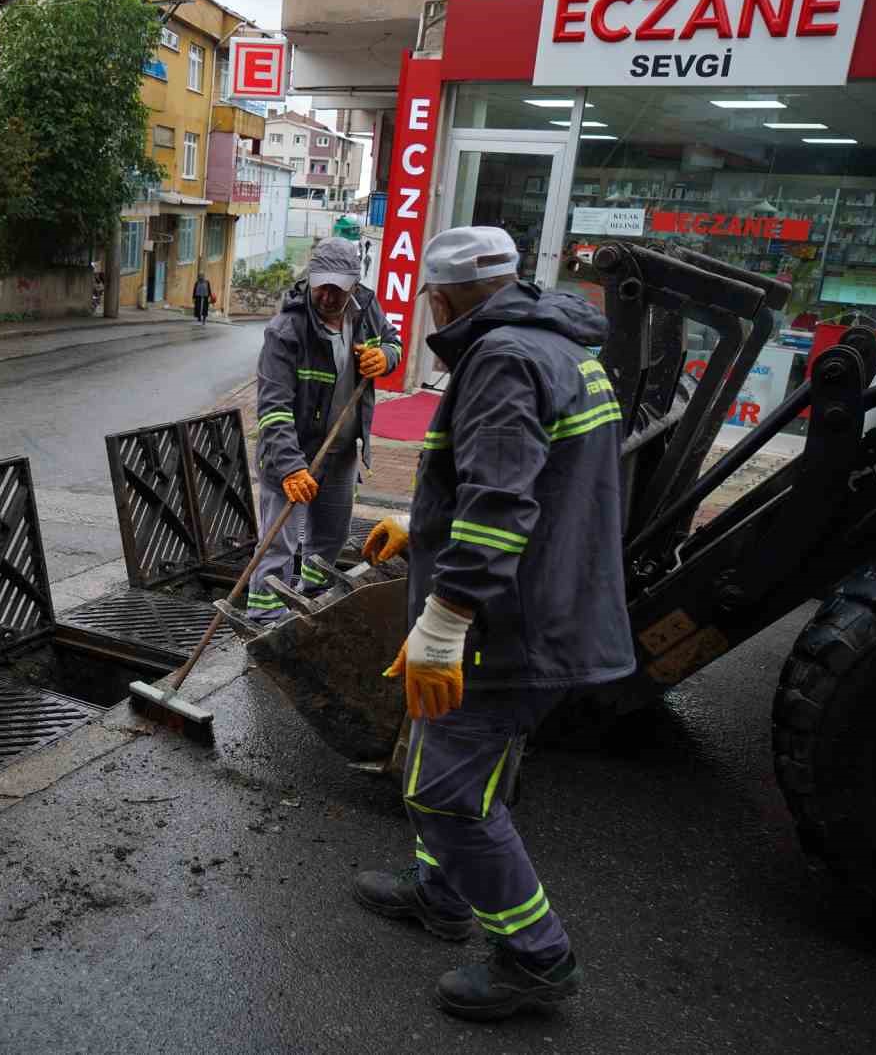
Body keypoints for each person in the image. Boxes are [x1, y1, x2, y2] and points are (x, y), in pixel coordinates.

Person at [356, 226, 634, 1021]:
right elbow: (528, 480)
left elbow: (503, 501)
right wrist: (424, 529)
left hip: (514, 624)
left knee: (443, 791)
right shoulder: (557, 344)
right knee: (454, 756)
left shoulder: (504, 358)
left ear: (441, 299)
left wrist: (445, 621)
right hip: (548, 601)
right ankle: (440, 894)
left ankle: (535, 957)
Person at [247, 237, 401, 622]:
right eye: (322, 285)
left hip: (342, 448)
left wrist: (386, 357)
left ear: (355, 282)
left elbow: (393, 343)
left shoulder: (366, 309)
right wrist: (290, 468)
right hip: (292, 454)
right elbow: (273, 408)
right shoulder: (287, 330)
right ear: (311, 278)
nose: (329, 295)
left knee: (330, 536)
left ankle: (312, 597)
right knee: (278, 542)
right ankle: (263, 616)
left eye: (338, 286)